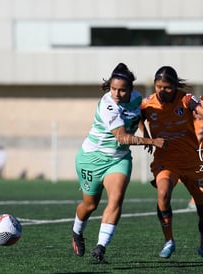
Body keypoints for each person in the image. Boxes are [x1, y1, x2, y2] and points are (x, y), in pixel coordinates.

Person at [71, 63, 166, 263]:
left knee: (116, 199)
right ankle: (77, 232)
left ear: (130, 89)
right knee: (90, 205)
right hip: (92, 158)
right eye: (113, 88)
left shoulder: (137, 97)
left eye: (122, 89)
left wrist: (144, 129)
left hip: (118, 159)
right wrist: (151, 141)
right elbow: (122, 137)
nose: (116, 93)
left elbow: (138, 113)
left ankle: (100, 247)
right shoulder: (108, 105)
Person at [141, 66, 203, 264]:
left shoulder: (185, 99)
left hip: (192, 162)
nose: (162, 90)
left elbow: (202, 112)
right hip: (165, 160)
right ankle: (169, 241)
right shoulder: (148, 103)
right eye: (158, 86)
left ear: (175, 87)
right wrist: (146, 134)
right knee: (163, 192)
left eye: (167, 87)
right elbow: (138, 116)